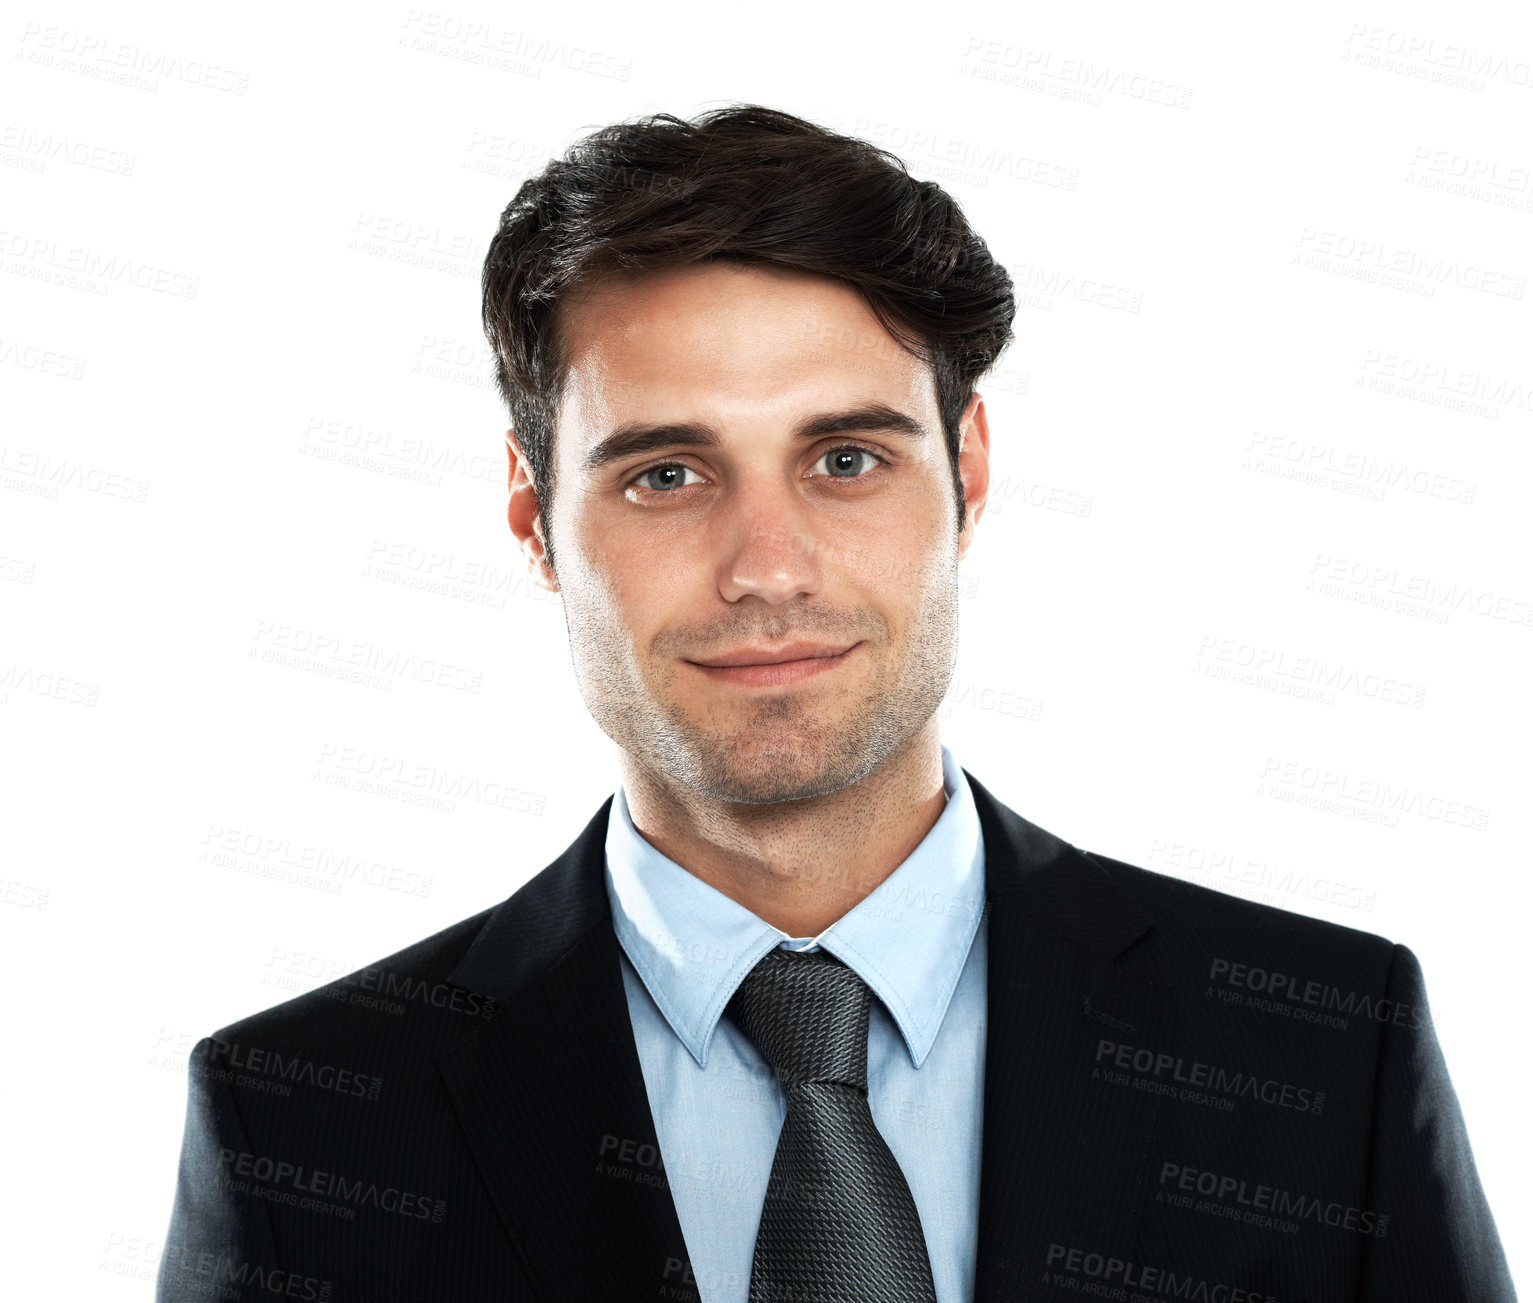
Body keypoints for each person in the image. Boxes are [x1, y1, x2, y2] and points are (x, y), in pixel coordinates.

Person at [156, 104, 1516, 1303]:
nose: (766, 571)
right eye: (665, 476)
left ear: (967, 470)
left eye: (846, 458)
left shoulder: (1320, 1048)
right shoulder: (307, 1126)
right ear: (532, 517)